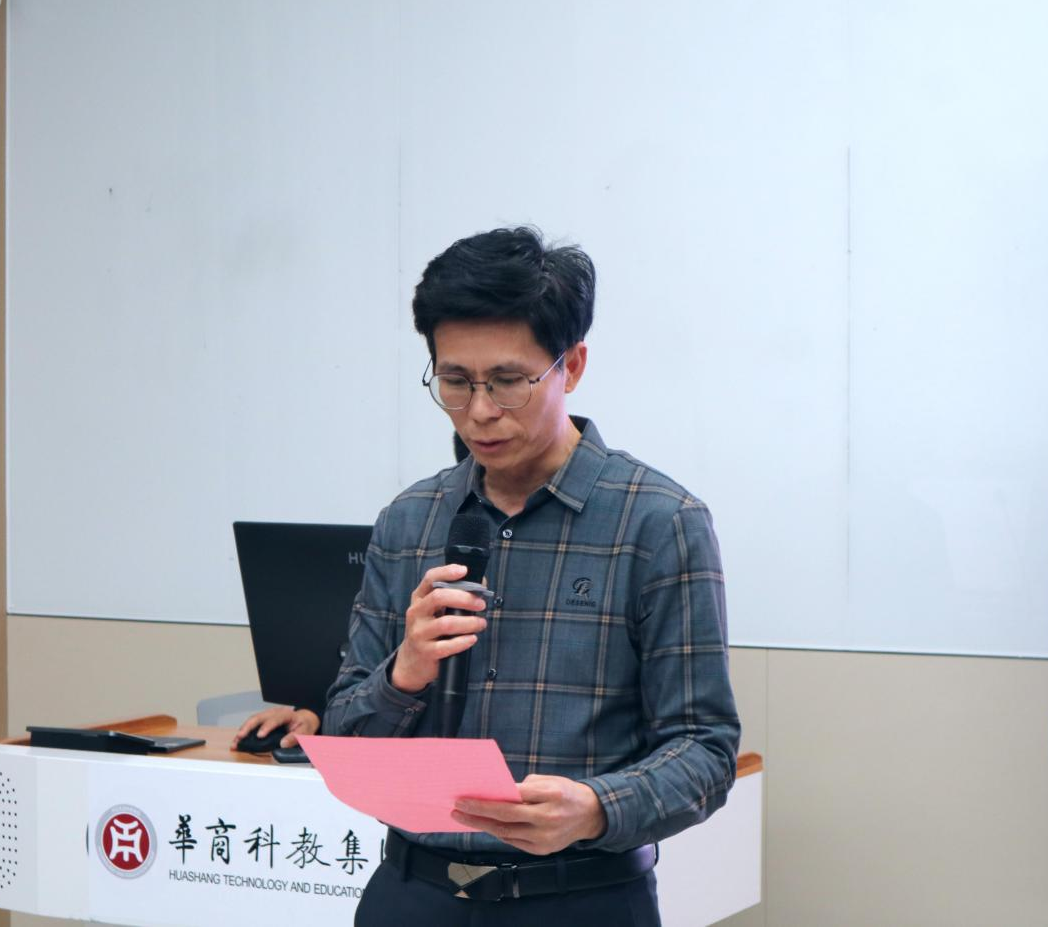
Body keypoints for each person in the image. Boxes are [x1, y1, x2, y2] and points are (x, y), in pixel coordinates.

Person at [235, 227, 739, 924]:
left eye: (507, 381)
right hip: (412, 894)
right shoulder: (410, 519)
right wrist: (403, 673)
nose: (479, 411)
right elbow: (345, 735)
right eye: (455, 381)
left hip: (581, 898)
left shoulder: (659, 522)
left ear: (572, 365)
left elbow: (706, 748)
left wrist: (597, 807)